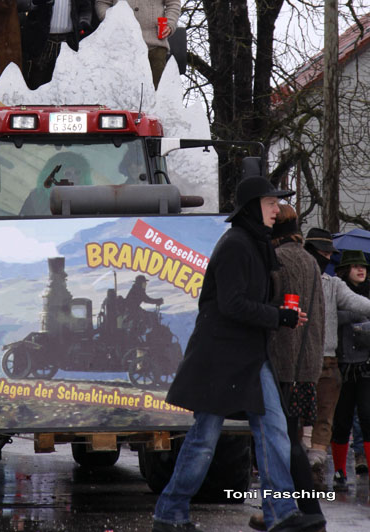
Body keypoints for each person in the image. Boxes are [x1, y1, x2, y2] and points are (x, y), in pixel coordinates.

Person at [153, 176, 325, 532]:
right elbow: (231, 305)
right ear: (252, 207)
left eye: (277, 204)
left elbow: (249, 301)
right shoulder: (235, 243)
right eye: (271, 203)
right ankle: (170, 513)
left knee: (275, 430)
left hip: (247, 356)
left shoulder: (254, 242)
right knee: (204, 439)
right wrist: (279, 316)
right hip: (221, 358)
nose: (278, 210)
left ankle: (280, 513)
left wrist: (284, 314)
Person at [249, 204, 325, 532]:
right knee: (287, 438)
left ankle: (307, 511)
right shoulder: (310, 260)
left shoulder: (278, 260)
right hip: (305, 363)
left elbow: (271, 312)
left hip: (281, 364)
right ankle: (284, 511)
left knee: (283, 442)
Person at [303, 228, 370, 488]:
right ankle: (300, 470)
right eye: (325, 252)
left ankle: (316, 470)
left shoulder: (333, 285)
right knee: (304, 419)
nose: (328, 257)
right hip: (302, 361)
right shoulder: (297, 277)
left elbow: (357, 304)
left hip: (330, 361)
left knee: (326, 419)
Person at [330, 249, 370, 491]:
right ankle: (339, 471)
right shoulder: (337, 292)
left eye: (363, 266)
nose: (361, 269)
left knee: (368, 417)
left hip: (366, 366)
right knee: (342, 421)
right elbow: (334, 317)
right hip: (342, 366)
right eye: (355, 266)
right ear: (345, 270)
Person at [20, 153, 92, 216]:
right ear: (56, 176)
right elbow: (22, 226)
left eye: (77, 172)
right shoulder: (38, 197)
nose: (74, 177)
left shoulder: (90, 197)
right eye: (68, 174)